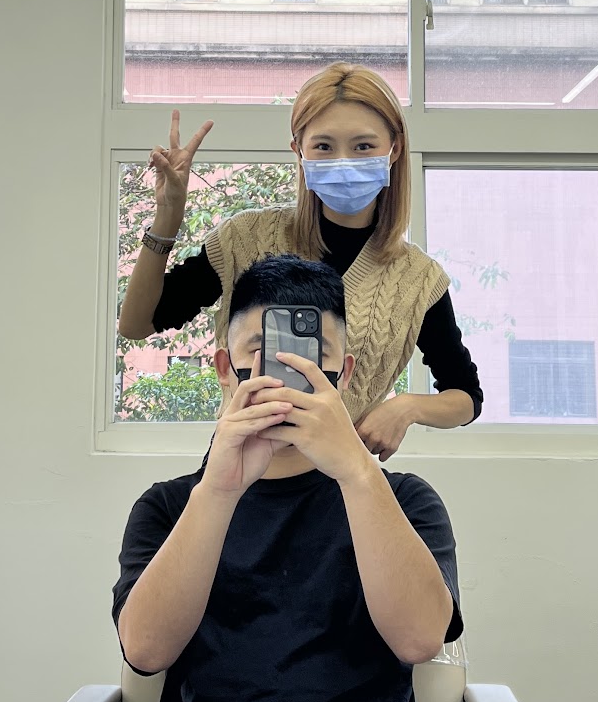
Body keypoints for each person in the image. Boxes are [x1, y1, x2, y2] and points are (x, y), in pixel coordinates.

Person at [113, 255, 464, 702]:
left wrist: (356, 470)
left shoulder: (403, 499)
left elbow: (420, 638)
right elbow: (146, 652)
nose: (285, 374)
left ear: (342, 375)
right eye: (264, 353)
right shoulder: (169, 507)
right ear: (225, 368)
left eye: (308, 358)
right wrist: (219, 489)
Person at [117, 62, 482, 461]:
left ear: (394, 149)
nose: (343, 161)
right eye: (323, 146)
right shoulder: (246, 239)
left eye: (363, 146)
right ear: (299, 152)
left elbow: (465, 395)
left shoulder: (417, 278)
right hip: (234, 472)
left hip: (340, 479)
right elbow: (137, 324)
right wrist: (168, 215)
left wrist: (406, 408)